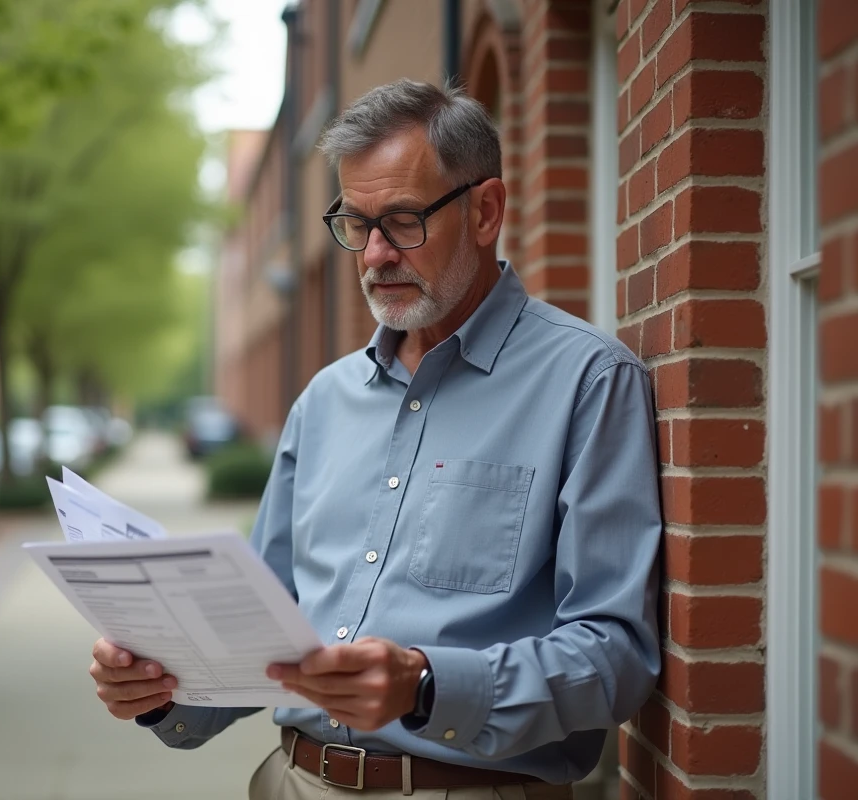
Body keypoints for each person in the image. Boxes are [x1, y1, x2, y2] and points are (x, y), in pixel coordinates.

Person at [88, 79, 662, 799]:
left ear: (486, 211)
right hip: (290, 781)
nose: (374, 255)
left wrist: (426, 684)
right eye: (356, 225)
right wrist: (162, 686)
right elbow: (262, 631)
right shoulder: (323, 402)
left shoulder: (588, 383)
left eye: (402, 221)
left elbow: (617, 656)